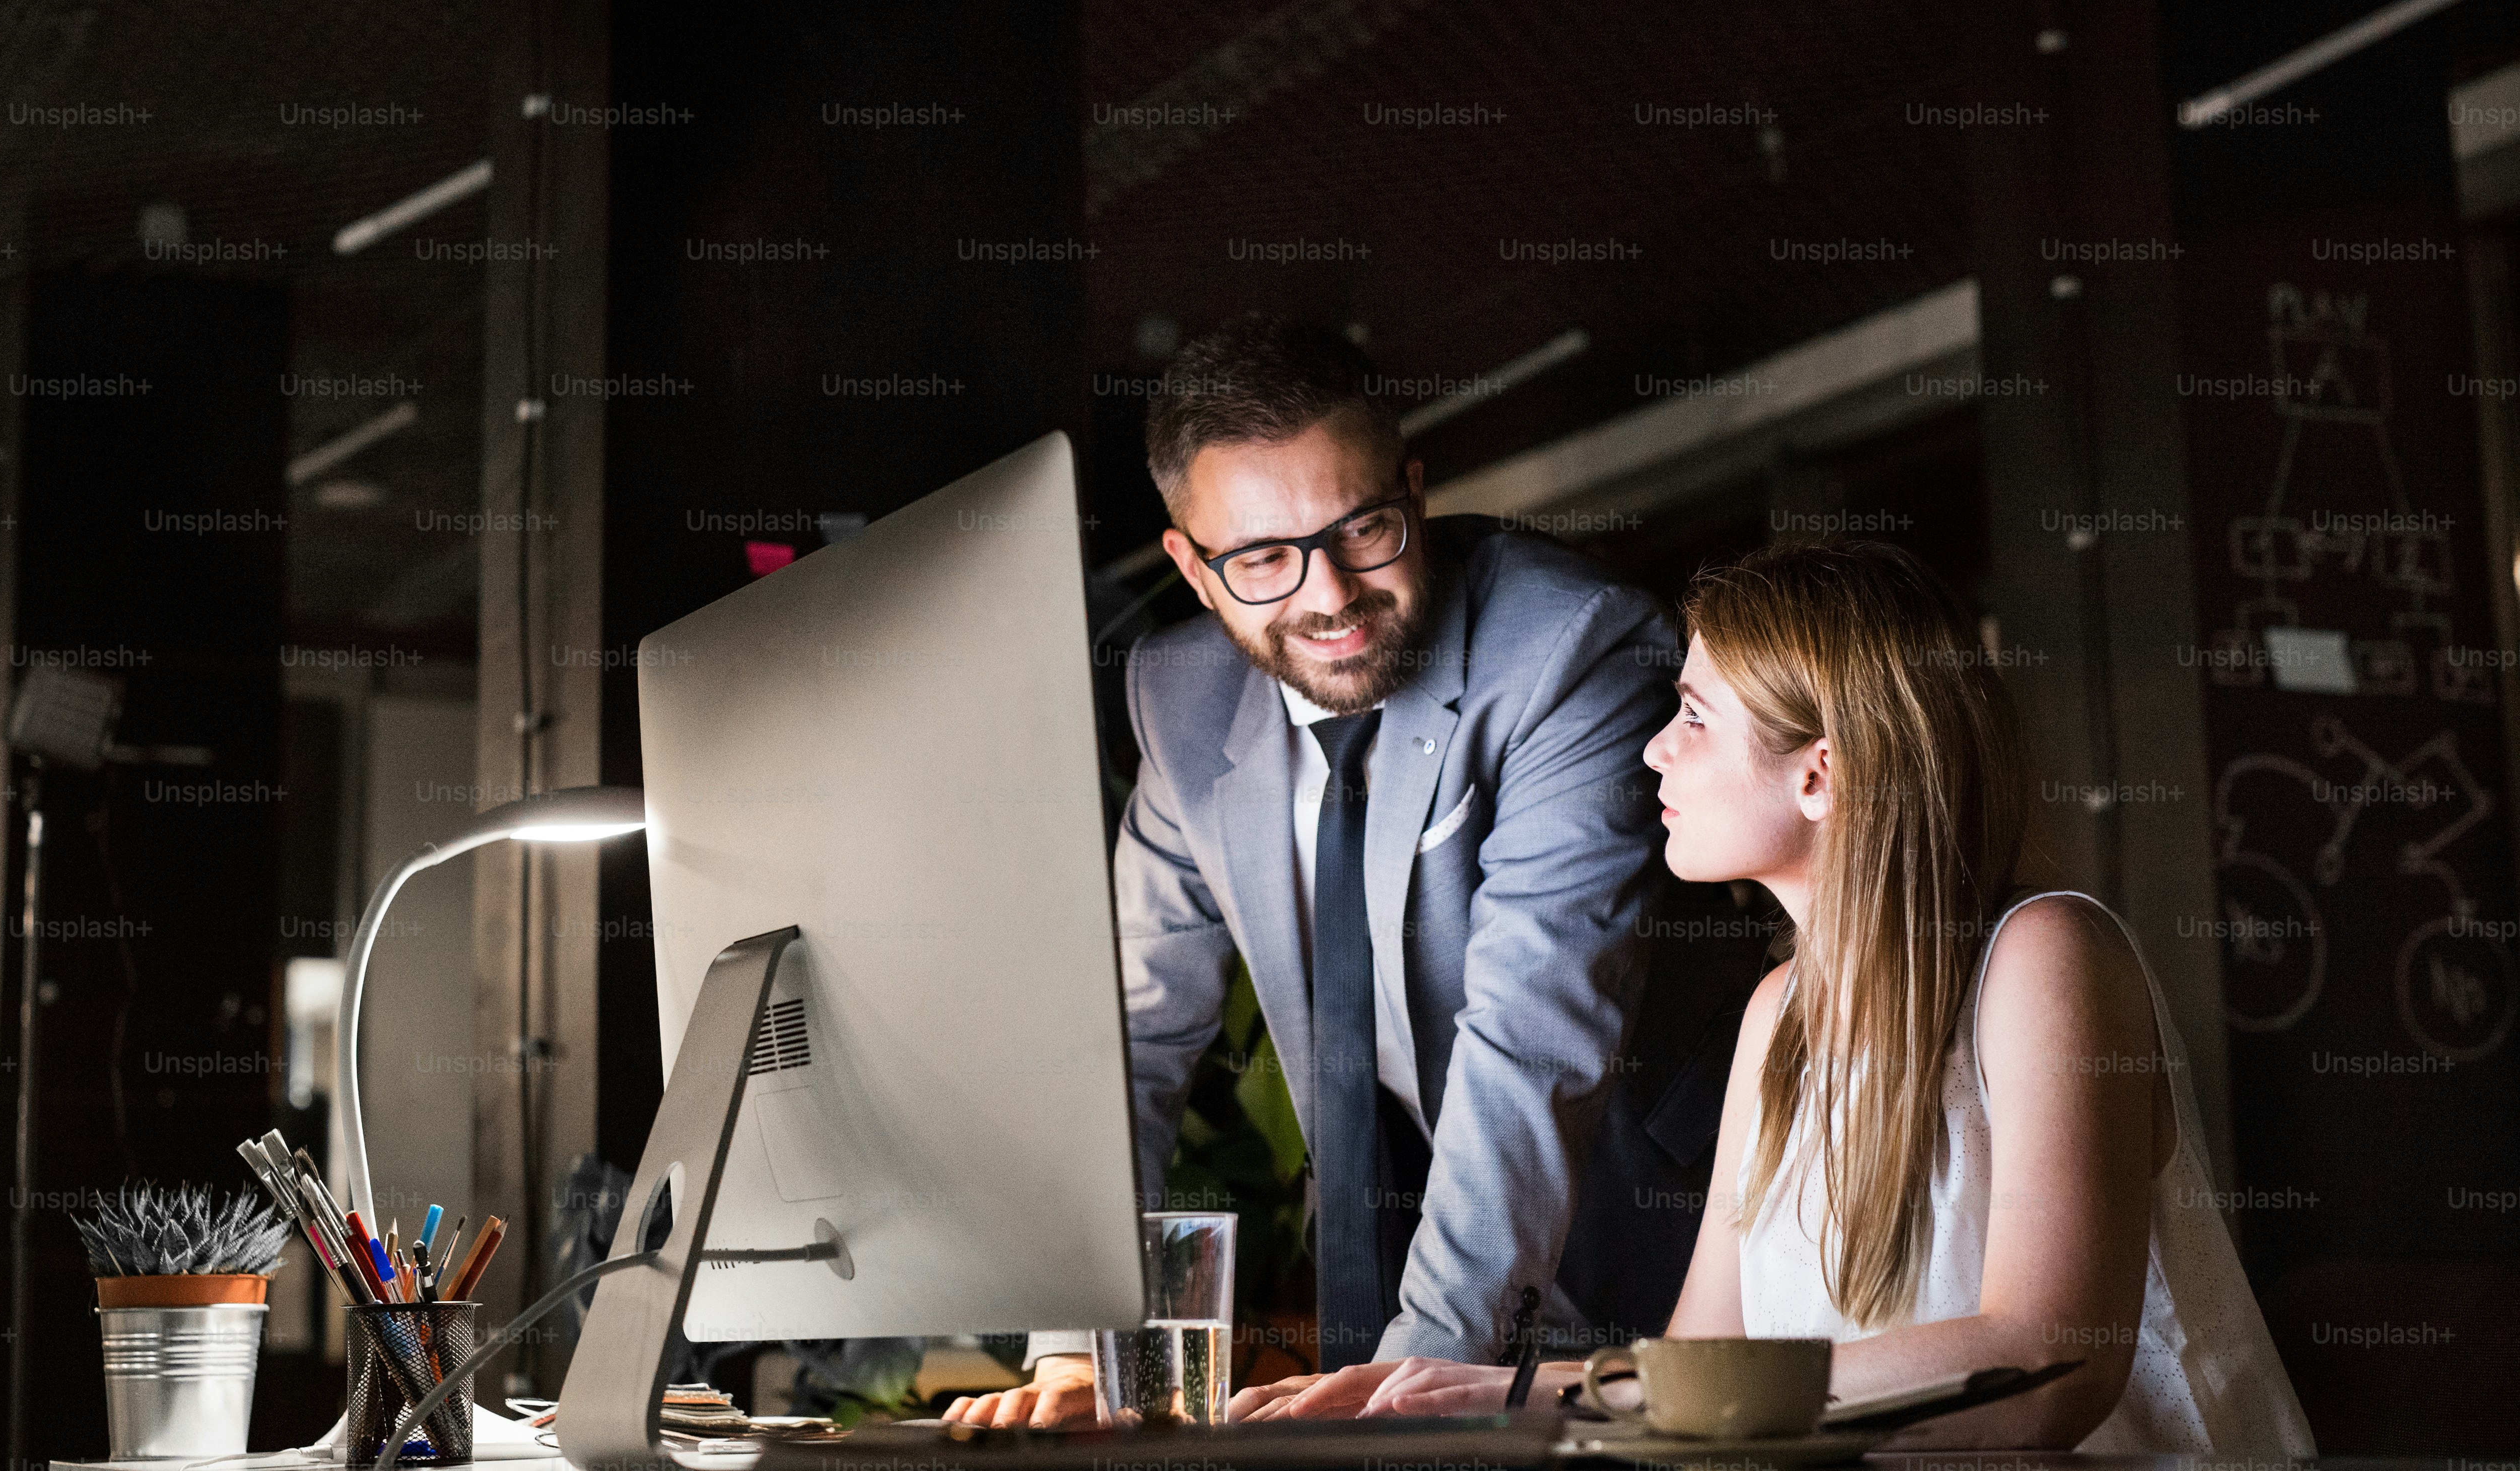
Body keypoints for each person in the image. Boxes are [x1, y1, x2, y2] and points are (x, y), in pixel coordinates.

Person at [1239, 540, 2316, 1454]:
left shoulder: (2044, 956)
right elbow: (1707, 1366)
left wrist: (1582, 1395)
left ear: (1819, 774)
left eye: (1693, 717)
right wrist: (1490, 1392)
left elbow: (2045, 1365)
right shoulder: (1776, 1018)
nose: (1655, 749)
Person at [947, 315, 1755, 1426]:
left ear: (1413, 492)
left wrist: (1410, 1376)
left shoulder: (1571, 647)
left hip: (1645, 1248)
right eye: (1262, 558)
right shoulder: (1176, 700)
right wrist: (1073, 1350)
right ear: (1189, 565)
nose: (1328, 593)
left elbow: (1531, 1039)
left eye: (1363, 527)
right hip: (1387, 1271)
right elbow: (1123, 1038)